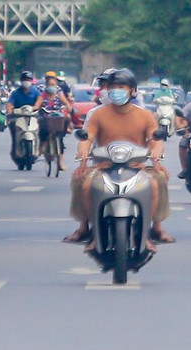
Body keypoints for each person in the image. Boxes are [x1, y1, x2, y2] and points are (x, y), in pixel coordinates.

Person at [64, 68, 174, 247]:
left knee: (158, 180)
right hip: (103, 166)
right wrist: (83, 158)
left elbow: (155, 138)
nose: (116, 91)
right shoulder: (98, 114)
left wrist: (156, 158)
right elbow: (87, 137)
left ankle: (154, 229)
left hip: (137, 166)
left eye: (122, 87)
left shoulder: (145, 115)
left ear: (133, 90)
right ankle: (87, 228)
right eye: (113, 87)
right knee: (82, 182)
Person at [36, 73, 75, 171]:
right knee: (42, 128)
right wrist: (35, 108)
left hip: (57, 116)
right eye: (50, 85)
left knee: (61, 134)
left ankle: (60, 161)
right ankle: (43, 144)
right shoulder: (43, 92)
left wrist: (69, 107)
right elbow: (37, 104)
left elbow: (65, 102)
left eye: (53, 85)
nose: (52, 87)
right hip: (45, 116)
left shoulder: (59, 92)